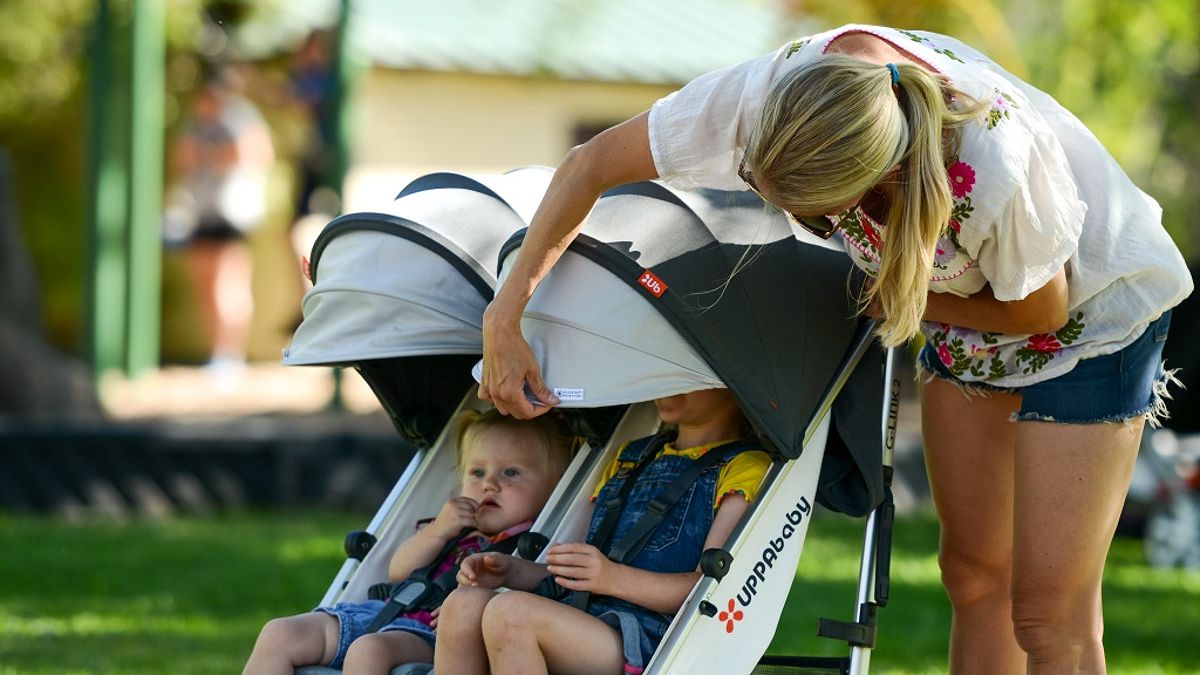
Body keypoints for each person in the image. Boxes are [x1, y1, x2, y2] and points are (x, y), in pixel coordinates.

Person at [475, 24, 1192, 675]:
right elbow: (590, 163)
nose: (806, 225)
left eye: (816, 217)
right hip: (956, 315)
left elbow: (1044, 306)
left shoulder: (996, 160)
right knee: (974, 573)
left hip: (1089, 323)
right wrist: (506, 318)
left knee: (1045, 610)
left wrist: (902, 296)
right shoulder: (767, 99)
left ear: (875, 184)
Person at [433, 388, 771, 675]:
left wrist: (610, 578)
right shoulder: (631, 457)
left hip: (644, 636)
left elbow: (708, 588)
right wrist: (512, 571)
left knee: (510, 614)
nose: (665, 383)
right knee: (462, 603)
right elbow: (578, 571)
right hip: (580, 615)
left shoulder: (744, 468)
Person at [242, 409, 576, 674]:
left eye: (511, 473)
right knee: (279, 633)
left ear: (553, 488)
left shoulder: (533, 543)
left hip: (431, 636)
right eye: (477, 473)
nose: (489, 484)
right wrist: (438, 531)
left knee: (367, 651)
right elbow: (399, 571)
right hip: (380, 614)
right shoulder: (450, 526)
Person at [162, 72, 274, 376]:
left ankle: (230, 356)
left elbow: (252, 154)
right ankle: (218, 354)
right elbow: (181, 158)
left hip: (231, 213)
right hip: (199, 212)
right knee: (206, 286)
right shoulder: (197, 123)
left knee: (229, 284)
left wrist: (208, 155)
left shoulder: (240, 117)